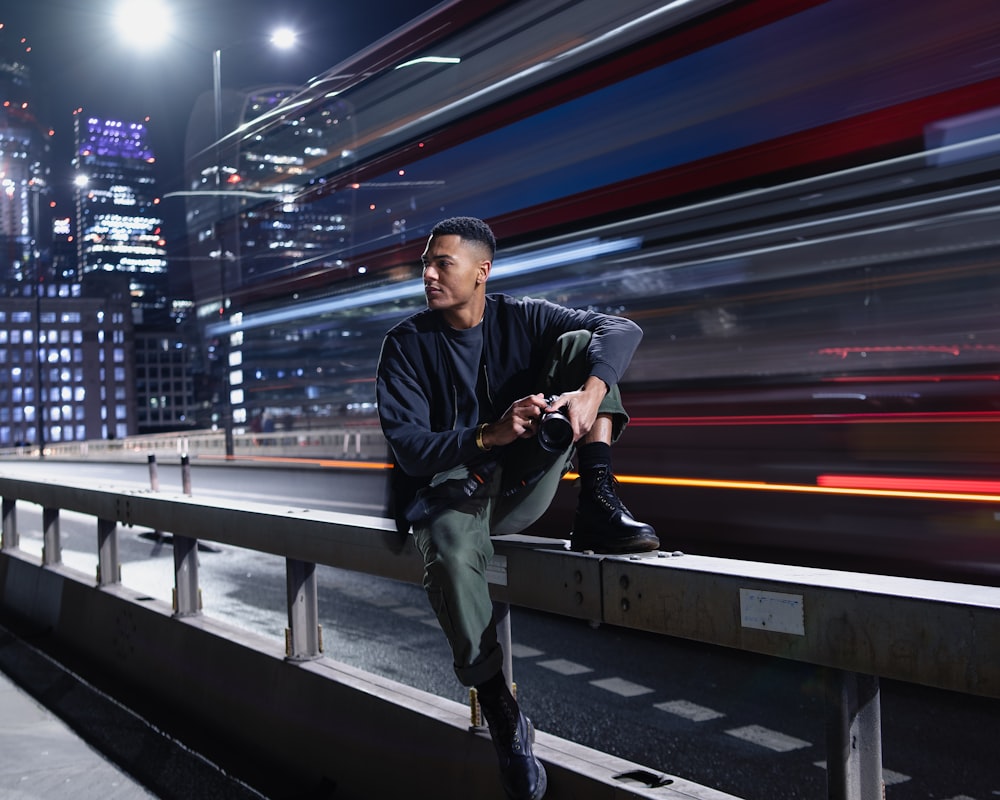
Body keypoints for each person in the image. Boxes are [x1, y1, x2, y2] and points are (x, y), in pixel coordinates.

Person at [375, 216, 657, 800]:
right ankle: (504, 713)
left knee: (588, 351)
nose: (426, 274)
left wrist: (588, 394)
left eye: (441, 264)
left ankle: (598, 503)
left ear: (482, 272)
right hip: (452, 490)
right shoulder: (405, 344)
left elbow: (622, 329)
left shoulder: (523, 316)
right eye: (425, 263)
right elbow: (409, 449)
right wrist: (488, 435)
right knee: (451, 557)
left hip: (524, 481)